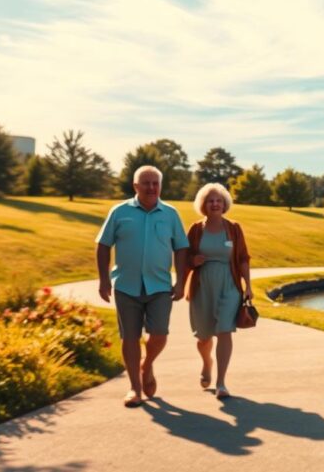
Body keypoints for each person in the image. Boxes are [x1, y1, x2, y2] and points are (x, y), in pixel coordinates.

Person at [96, 165, 189, 408]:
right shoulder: (119, 212)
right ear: (135, 186)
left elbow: (181, 248)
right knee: (130, 337)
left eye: (155, 183)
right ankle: (134, 388)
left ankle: (145, 366)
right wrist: (104, 280)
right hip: (126, 286)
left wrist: (181, 281)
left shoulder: (170, 214)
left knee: (159, 334)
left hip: (159, 286)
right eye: (146, 183)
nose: (151, 188)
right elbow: (103, 245)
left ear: (160, 186)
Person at [184, 182, 252, 399]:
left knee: (225, 330)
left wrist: (248, 285)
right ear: (204, 205)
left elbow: (242, 258)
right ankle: (207, 363)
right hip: (202, 286)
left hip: (229, 285)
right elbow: (184, 258)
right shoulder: (196, 229)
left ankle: (221, 382)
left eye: (219, 200)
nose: (215, 204)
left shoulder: (233, 228)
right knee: (203, 337)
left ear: (225, 204)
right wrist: (193, 260)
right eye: (210, 200)